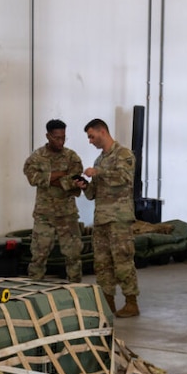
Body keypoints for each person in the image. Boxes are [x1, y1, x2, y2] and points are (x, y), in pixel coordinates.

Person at [77, 118, 139, 317]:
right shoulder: (100, 159)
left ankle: (131, 302)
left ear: (102, 131)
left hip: (119, 219)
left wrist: (99, 172)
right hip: (102, 219)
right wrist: (85, 185)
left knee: (122, 261)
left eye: (92, 136)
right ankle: (107, 302)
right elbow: (94, 192)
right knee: (102, 264)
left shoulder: (124, 154)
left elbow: (124, 178)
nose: (90, 141)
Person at [23, 119, 84, 283]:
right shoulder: (37, 156)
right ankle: (34, 286)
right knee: (39, 253)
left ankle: (75, 288)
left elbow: (74, 181)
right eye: (57, 138)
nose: (61, 141)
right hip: (44, 213)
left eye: (63, 137)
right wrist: (59, 175)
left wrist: (48, 178)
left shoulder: (72, 157)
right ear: (48, 136)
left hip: (67, 214)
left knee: (73, 254)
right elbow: (32, 177)